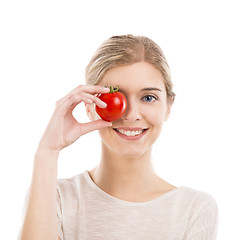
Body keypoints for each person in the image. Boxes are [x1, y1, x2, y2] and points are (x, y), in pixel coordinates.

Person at [18, 34, 218, 240]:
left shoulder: (194, 210)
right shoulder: (54, 198)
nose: (131, 115)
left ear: (168, 106)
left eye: (148, 98)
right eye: (115, 96)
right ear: (89, 106)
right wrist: (47, 152)